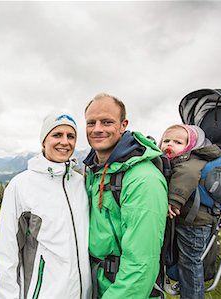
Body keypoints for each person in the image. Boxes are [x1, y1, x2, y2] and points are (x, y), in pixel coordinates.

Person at [0, 112, 92, 299]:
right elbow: (7, 253)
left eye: (70, 136)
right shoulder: (21, 186)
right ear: (43, 141)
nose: (65, 142)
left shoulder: (80, 184)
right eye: (57, 135)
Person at [83, 93, 168, 298]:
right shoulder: (93, 171)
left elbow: (141, 264)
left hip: (123, 290)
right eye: (91, 123)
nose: (97, 129)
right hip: (96, 283)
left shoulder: (143, 179)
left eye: (107, 122)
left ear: (123, 125)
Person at [159, 124, 221, 299]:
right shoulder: (179, 159)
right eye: (166, 140)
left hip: (194, 223)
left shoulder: (191, 162)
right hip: (187, 221)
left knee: (190, 263)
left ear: (191, 145)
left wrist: (174, 200)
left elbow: (186, 176)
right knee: (185, 261)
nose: (169, 144)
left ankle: (192, 295)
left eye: (178, 142)